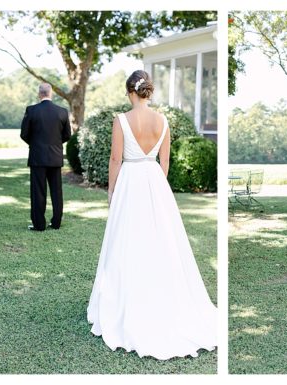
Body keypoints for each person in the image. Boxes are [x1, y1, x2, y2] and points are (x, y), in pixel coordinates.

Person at [86, 70, 217, 360]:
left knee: (128, 241)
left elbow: (116, 159)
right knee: (160, 243)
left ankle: (128, 302)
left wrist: (112, 192)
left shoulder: (121, 120)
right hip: (155, 181)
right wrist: (158, 187)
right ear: (147, 91)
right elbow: (165, 160)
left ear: (130, 92)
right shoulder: (163, 121)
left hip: (130, 181)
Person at [20, 83, 71, 231]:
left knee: (38, 192)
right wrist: (55, 143)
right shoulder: (62, 111)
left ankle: (39, 225)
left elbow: (24, 134)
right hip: (55, 157)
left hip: (37, 157)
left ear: (39, 94)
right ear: (51, 94)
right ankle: (56, 223)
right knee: (57, 192)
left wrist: (35, 144)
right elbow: (67, 135)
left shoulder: (32, 110)